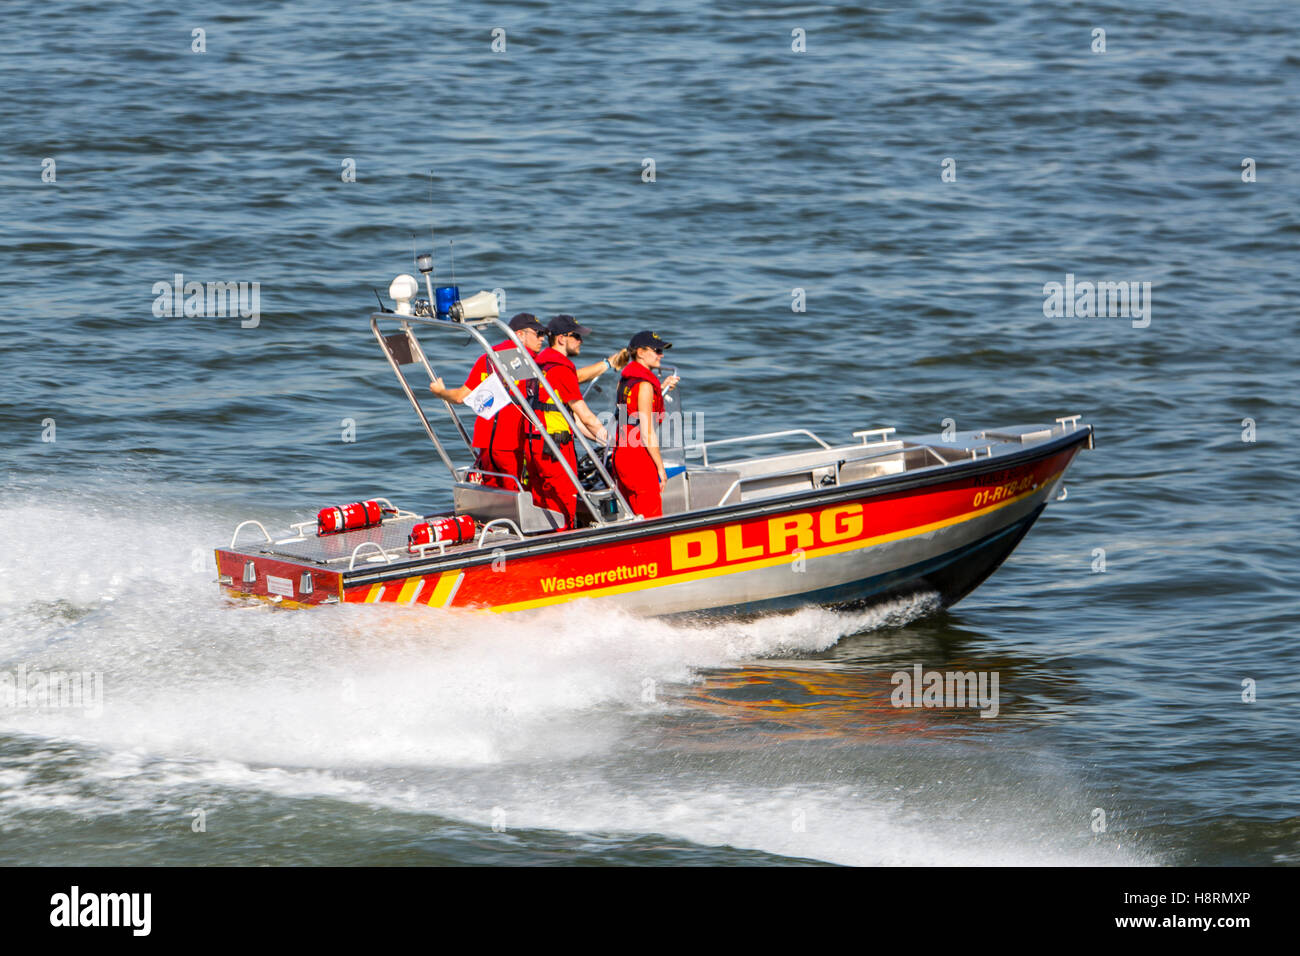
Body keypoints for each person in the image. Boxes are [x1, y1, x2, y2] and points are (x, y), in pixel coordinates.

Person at [430, 314, 625, 491]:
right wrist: (607, 364)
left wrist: (441, 392)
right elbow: (570, 379)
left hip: (486, 444)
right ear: (520, 335)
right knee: (519, 495)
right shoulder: (527, 361)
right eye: (538, 333)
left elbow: (459, 397)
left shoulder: (488, 357)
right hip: (514, 442)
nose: (542, 338)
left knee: (496, 494)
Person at [522, 314, 611, 528]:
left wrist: (600, 439)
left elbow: (567, 416)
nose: (581, 341)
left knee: (542, 504)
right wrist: (615, 440)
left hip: (534, 445)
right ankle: (563, 545)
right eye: (577, 337)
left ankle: (541, 543)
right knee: (563, 505)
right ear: (562, 339)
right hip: (555, 450)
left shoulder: (538, 365)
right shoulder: (562, 368)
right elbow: (585, 415)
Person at [612, 330, 680, 519]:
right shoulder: (645, 385)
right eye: (657, 350)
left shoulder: (625, 381)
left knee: (632, 514)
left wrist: (661, 387)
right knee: (651, 516)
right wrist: (660, 467)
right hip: (638, 459)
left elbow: (629, 417)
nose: (661, 355)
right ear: (641, 352)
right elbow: (647, 431)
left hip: (621, 455)